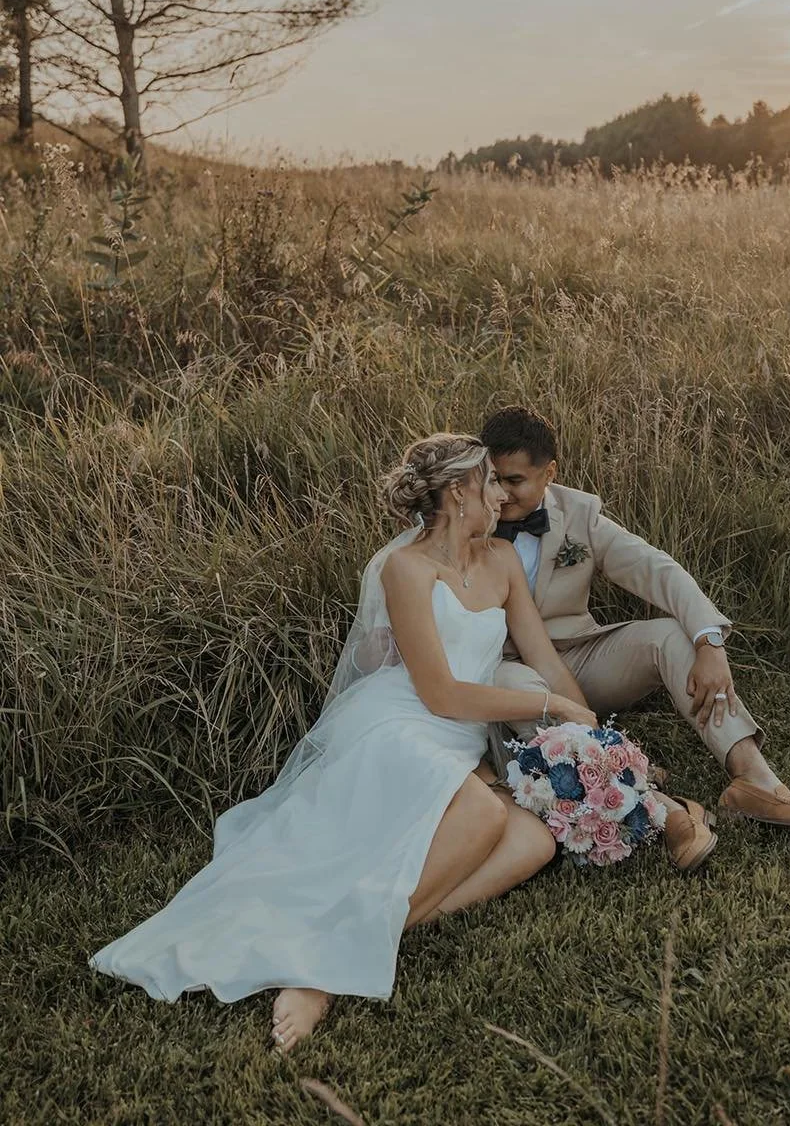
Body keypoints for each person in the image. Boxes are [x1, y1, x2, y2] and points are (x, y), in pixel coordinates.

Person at [88, 433, 710, 1056]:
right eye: (490, 483)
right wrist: (548, 707)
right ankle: (324, 971)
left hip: (462, 738)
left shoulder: (499, 561)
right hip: (402, 721)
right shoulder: (405, 568)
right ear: (460, 492)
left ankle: (362, 935)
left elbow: (545, 660)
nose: (501, 496)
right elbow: (439, 693)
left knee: (533, 842)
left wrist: (589, 736)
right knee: (483, 814)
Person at [479, 406, 790, 839]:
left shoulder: (578, 515)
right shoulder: (469, 516)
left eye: (515, 480)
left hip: (579, 658)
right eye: (494, 479)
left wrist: (710, 643)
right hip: (506, 670)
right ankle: (639, 791)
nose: (501, 493)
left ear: (550, 472)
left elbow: (656, 569)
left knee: (671, 636)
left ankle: (754, 780)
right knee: (518, 684)